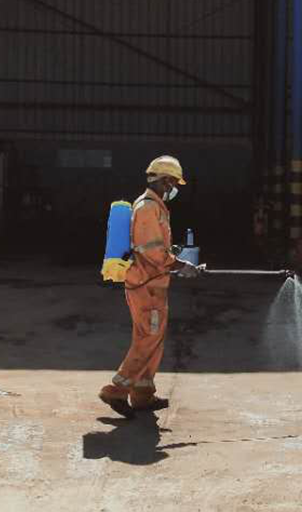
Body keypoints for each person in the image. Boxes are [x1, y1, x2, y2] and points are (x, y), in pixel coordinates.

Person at [99, 155, 199, 418]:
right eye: (173, 183)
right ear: (165, 181)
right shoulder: (147, 208)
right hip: (146, 286)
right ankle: (116, 390)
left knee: (153, 339)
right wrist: (181, 265)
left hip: (154, 284)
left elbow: (153, 246)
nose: (174, 188)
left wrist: (172, 255)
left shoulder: (155, 207)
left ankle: (143, 394)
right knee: (147, 339)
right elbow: (152, 252)